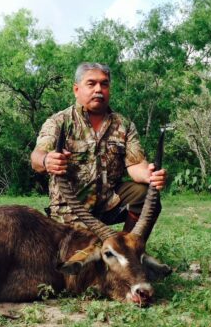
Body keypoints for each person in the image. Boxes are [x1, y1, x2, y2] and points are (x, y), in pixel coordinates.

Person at [31, 62, 167, 233]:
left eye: (104, 84)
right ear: (76, 89)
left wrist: (150, 175)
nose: (98, 89)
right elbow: (36, 157)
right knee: (85, 257)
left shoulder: (124, 125)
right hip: (71, 210)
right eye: (91, 83)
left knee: (146, 193)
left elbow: (135, 165)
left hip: (109, 203)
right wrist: (46, 160)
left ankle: (128, 247)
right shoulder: (59, 122)